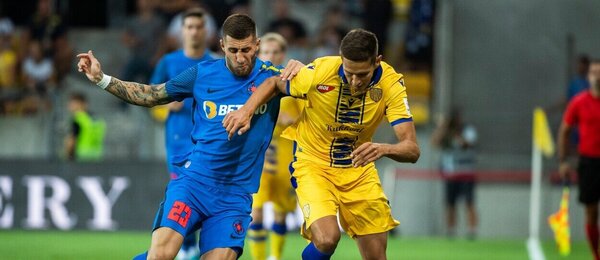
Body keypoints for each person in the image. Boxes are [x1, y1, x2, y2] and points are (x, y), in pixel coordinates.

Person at [77, 14, 302, 260]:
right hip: (193, 183)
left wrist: (304, 69)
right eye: (233, 50)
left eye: (246, 50)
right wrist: (102, 79)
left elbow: (320, 84)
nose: (240, 58)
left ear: (257, 45)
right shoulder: (201, 74)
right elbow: (152, 95)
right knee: (161, 255)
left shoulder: (274, 76)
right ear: (222, 46)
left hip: (234, 195)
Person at [224, 29, 420, 260]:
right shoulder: (320, 72)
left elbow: (412, 149)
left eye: (363, 75)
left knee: (377, 256)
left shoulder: (391, 85)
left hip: (359, 171)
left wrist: (384, 148)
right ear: (340, 58)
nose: (355, 82)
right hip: (313, 165)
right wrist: (246, 111)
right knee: (327, 238)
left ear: (377, 61)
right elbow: (274, 83)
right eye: (349, 73)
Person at [149, 8, 214, 260]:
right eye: (189, 27)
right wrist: (166, 107)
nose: (194, 31)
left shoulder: (215, 64)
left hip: (207, 144)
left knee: (201, 195)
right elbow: (151, 102)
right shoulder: (169, 63)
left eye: (199, 26)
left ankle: (191, 248)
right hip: (177, 142)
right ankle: (187, 247)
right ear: (182, 31)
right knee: (182, 193)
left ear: (206, 31)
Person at [247, 32, 301, 260]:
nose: (271, 56)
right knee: (255, 212)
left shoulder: (296, 84)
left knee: (281, 213)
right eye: (266, 52)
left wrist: (294, 121)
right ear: (260, 54)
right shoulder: (252, 83)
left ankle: (275, 257)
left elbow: (307, 118)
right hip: (260, 158)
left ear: (283, 54)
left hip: (285, 158)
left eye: (275, 52)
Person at [558, 60, 600, 260]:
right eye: (594, 72)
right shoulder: (579, 102)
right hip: (589, 162)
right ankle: (595, 254)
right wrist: (563, 161)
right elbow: (564, 131)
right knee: (591, 212)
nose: (597, 76)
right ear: (589, 77)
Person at [431, 108, 478, 239]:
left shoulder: (467, 130)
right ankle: (451, 230)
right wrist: (442, 128)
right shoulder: (446, 133)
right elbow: (434, 142)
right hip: (451, 173)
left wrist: (455, 133)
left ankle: (472, 230)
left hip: (466, 172)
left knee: (469, 202)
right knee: (450, 203)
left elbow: (466, 144)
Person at [65, 92, 105, 161]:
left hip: (81, 158)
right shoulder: (98, 120)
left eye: (72, 103)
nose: (69, 106)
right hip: (96, 158)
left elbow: (71, 141)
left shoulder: (78, 119)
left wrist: (68, 156)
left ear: (80, 104)